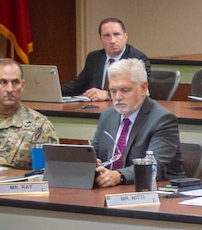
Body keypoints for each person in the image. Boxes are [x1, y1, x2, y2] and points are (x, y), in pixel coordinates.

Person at [91, 58, 184, 187]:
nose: (117, 97)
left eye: (125, 90)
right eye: (113, 91)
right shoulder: (108, 116)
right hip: (111, 189)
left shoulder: (163, 120)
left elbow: (154, 166)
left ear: (143, 88)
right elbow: (94, 152)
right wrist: (92, 163)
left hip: (155, 191)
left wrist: (119, 175)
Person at [61, 17, 151, 102]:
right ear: (101, 39)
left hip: (124, 109)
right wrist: (55, 91)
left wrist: (108, 94)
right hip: (95, 109)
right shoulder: (94, 57)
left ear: (125, 37)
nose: (112, 41)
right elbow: (79, 84)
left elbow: (139, 89)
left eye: (116, 34)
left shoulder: (137, 59)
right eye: (107, 36)